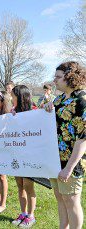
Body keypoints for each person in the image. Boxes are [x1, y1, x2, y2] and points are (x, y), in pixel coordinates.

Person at [44, 61, 86, 229]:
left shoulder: (82, 101)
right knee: (60, 197)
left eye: (58, 77)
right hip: (55, 159)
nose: (55, 80)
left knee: (72, 199)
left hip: (72, 162)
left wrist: (69, 168)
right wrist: (46, 107)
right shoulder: (60, 99)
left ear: (71, 77)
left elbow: (83, 139)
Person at [10, 85, 37, 227]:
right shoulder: (13, 111)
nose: (10, 98)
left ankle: (31, 216)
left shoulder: (34, 111)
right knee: (20, 185)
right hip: (17, 153)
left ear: (20, 97)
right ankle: (23, 213)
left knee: (28, 185)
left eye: (13, 96)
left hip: (29, 155)